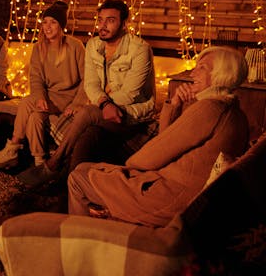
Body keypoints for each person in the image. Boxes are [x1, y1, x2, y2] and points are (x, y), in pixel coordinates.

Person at [67, 46, 249, 227]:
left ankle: (78, 242)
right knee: (92, 161)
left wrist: (126, 170)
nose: (193, 73)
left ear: (221, 75)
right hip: (185, 195)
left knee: (78, 176)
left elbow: (147, 158)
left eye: (202, 68)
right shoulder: (235, 113)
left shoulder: (209, 109)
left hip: (168, 199)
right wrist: (175, 104)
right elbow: (167, 138)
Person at [17, 0, 156, 189]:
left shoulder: (140, 49)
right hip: (103, 110)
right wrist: (103, 102)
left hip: (132, 113)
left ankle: (53, 163)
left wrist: (101, 104)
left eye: (111, 20)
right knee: (87, 135)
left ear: (124, 24)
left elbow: (130, 93)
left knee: (88, 113)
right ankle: (67, 184)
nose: (103, 25)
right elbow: (90, 83)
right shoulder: (93, 45)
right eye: (100, 20)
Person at [0, 1, 87, 169]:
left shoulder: (75, 46)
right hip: (50, 96)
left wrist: (78, 103)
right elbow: (36, 78)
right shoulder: (39, 48)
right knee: (34, 117)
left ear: (61, 25)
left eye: (53, 22)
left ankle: (13, 146)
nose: (47, 27)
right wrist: (39, 97)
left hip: (69, 97)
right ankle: (40, 162)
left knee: (25, 102)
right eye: (45, 22)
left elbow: (87, 78)